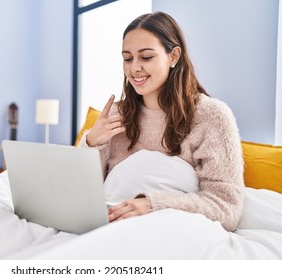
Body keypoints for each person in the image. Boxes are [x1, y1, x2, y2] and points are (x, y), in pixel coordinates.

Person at [78, 12, 244, 232]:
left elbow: (225, 208)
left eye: (146, 57)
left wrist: (153, 205)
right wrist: (91, 144)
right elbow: (80, 196)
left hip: (169, 231)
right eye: (127, 58)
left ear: (174, 56)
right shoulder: (117, 115)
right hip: (106, 227)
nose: (134, 68)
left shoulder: (212, 116)